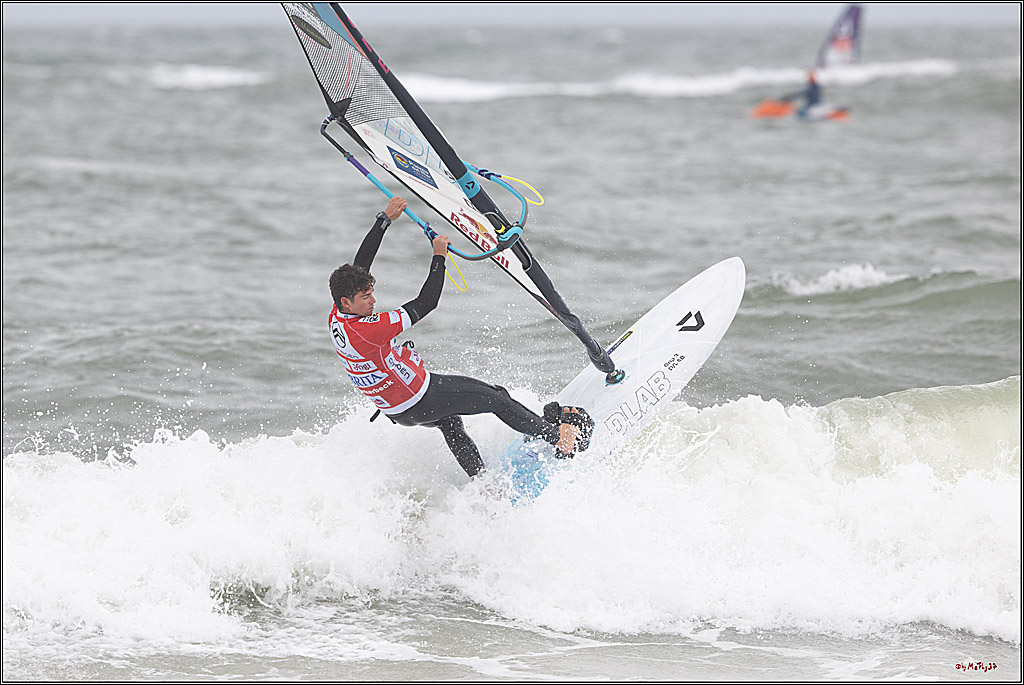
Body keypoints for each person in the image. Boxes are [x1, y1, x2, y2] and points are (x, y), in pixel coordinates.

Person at [328, 196, 593, 478]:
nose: (373, 301)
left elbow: (360, 266)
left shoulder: (338, 315)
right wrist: (438, 257)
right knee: (497, 398)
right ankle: (560, 439)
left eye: (371, 294)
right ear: (347, 301)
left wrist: (384, 220)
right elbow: (426, 303)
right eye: (366, 297)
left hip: (396, 409)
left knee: (450, 422)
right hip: (419, 396)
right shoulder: (369, 329)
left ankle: (485, 485)